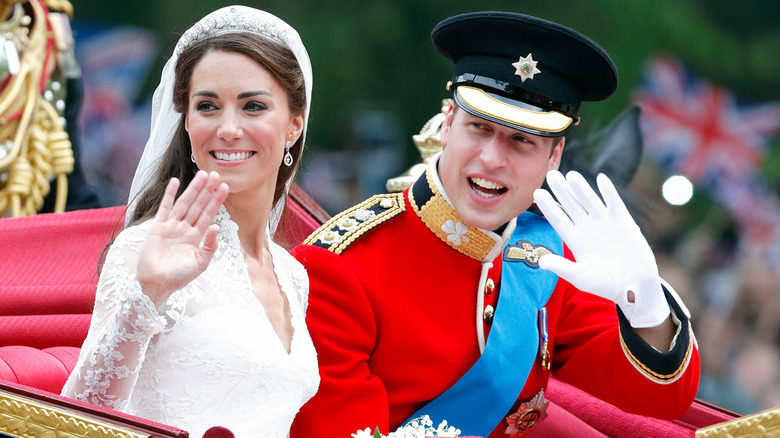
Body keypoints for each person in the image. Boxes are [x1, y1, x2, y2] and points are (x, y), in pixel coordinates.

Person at [290, 11, 699, 438]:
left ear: (554, 156)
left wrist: (647, 308)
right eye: (479, 128)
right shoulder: (340, 265)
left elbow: (660, 401)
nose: (492, 159)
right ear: (448, 123)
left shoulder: (546, 259)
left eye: (522, 140)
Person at [60, 6, 319, 437]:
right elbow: (76, 420)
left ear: (294, 125)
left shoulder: (294, 276)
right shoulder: (145, 248)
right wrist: (148, 292)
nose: (229, 128)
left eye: (253, 106)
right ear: (186, 123)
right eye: (208, 106)